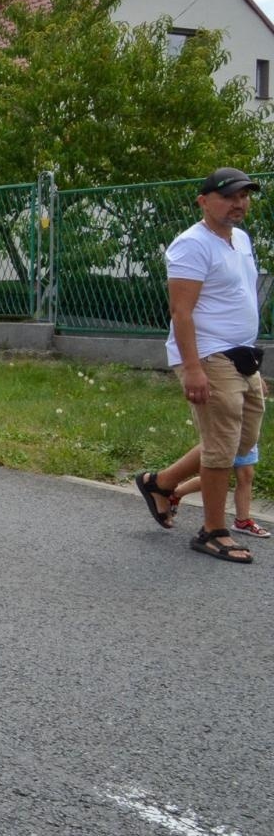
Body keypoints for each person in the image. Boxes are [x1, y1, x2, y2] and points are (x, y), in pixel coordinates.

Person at [134, 167, 264, 564]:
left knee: (239, 442)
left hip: (243, 355)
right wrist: (193, 368)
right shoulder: (191, 245)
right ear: (204, 201)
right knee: (222, 448)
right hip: (210, 356)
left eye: (243, 196)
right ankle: (213, 530)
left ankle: (160, 483)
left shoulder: (240, 239)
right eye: (228, 196)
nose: (238, 204)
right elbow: (181, 311)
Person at [165, 442, 269, 538]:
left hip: (247, 432)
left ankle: (243, 521)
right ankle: (175, 492)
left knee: (246, 474)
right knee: (217, 477)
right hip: (229, 431)